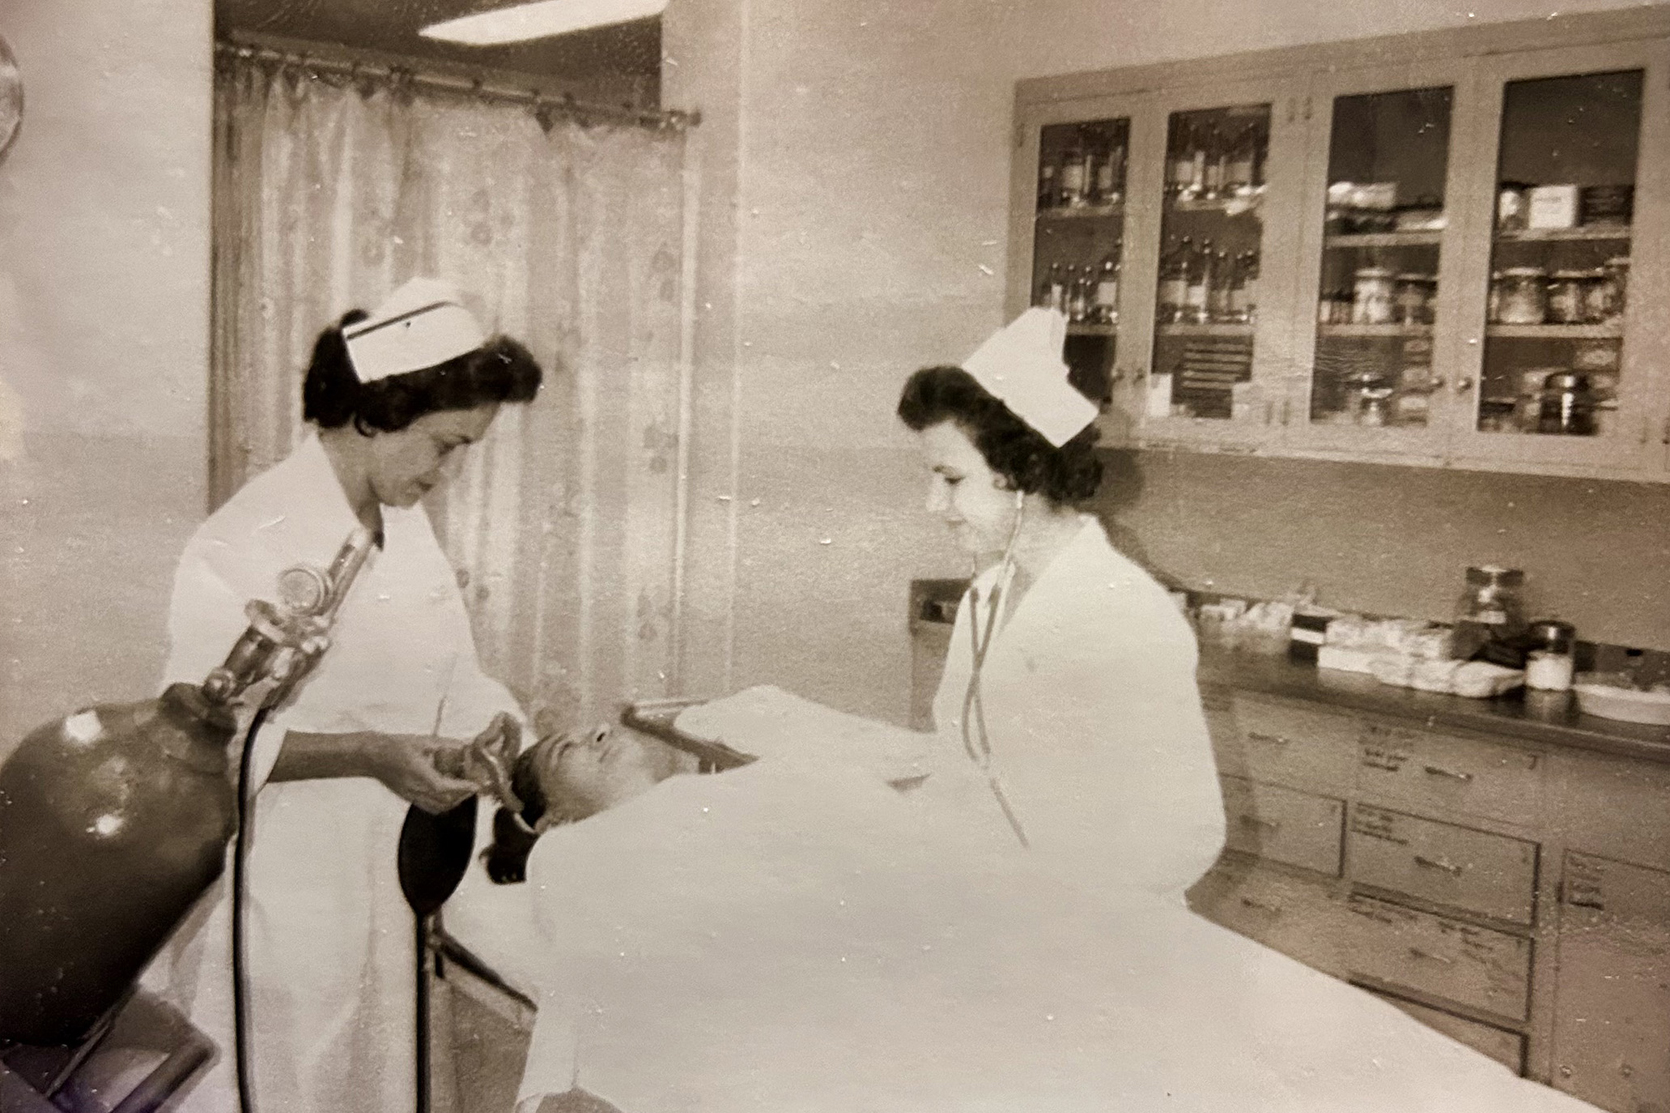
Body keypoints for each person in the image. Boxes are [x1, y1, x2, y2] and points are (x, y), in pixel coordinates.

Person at [144, 278, 544, 1113]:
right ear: (376, 413)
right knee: (289, 1079)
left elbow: (450, 674)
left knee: (371, 1080)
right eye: (444, 445)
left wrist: (496, 734)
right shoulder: (248, 535)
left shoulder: (403, 531)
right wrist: (369, 753)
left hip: (383, 875)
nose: (450, 472)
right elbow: (195, 738)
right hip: (283, 883)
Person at [895, 306, 1226, 895]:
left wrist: (1051, 908)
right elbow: (964, 770)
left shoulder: (1125, 617)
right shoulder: (986, 598)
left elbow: (1184, 835)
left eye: (950, 479)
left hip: (1088, 924)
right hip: (988, 901)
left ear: (1024, 472)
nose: (933, 503)